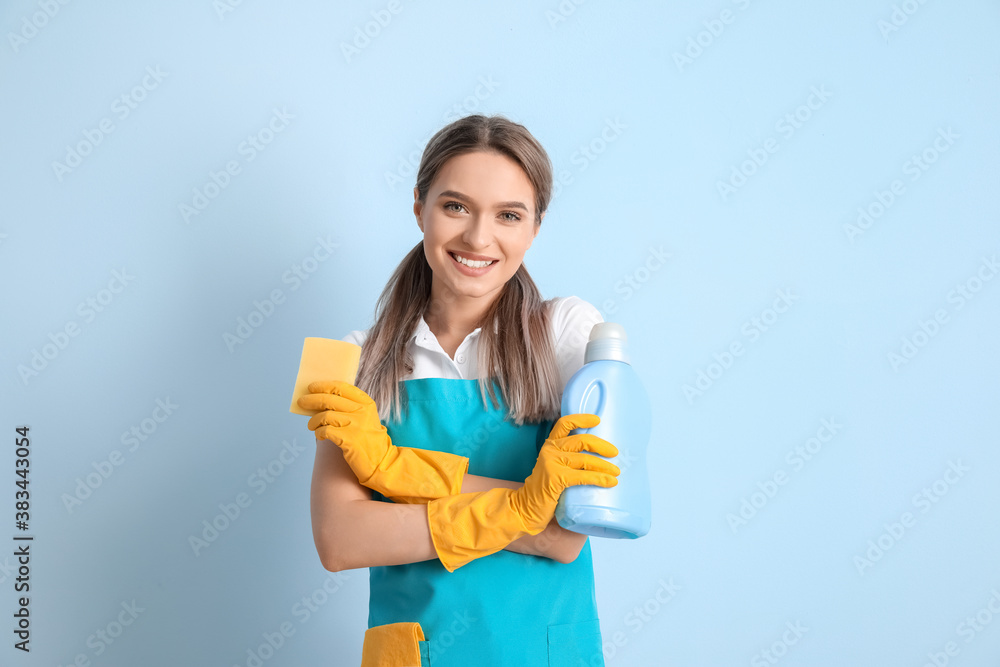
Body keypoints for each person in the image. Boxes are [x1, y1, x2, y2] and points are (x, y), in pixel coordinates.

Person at [298, 114, 620, 667]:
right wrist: (522, 508)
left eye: (509, 215)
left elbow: (572, 532)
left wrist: (392, 471)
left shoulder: (567, 333)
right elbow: (340, 540)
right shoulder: (353, 357)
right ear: (419, 205)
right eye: (455, 206)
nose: (478, 237)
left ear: (535, 227)